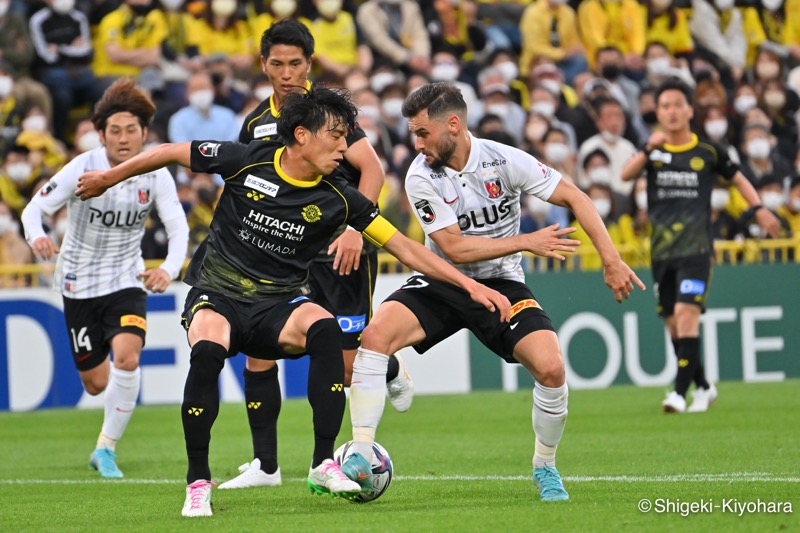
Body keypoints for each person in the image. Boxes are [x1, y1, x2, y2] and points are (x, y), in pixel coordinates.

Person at [74, 85, 511, 517]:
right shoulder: (247, 159)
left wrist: (470, 286)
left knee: (325, 328)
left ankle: (323, 464)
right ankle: (198, 483)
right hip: (218, 293)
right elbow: (169, 150)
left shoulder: (340, 198)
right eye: (337, 136)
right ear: (302, 135)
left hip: (277, 304)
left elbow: (407, 249)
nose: (345, 147)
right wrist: (108, 177)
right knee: (208, 351)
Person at [344, 82, 645, 503]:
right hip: (444, 279)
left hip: (502, 282)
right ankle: (361, 451)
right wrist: (524, 241)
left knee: (552, 369)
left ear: (453, 124)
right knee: (374, 339)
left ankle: (545, 465)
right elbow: (453, 247)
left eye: (423, 133)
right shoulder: (420, 175)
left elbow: (575, 196)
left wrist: (611, 260)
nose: (417, 143)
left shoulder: (503, 159)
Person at [225, 19, 412, 491]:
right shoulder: (254, 123)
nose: (287, 73)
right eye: (277, 64)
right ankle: (265, 466)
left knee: (346, 366)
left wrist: (355, 229)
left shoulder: (331, 113)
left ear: (310, 64)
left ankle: (387, 366)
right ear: (262, 64)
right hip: (283, 255)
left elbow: (372, 169)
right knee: (256, 353)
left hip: (338, 251)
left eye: (296, 64)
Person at [20, 78, 189, 478]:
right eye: (115, 130)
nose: (124, 138)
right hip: (77, 282)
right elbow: (33, 210)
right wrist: (38, 236)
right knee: (96, 383)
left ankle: (105, 448)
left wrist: (167, 268)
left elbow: (179, 228)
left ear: (145, 134)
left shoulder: (155, 173)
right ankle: (115, 410)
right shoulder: (82, 167)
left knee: (128, 357)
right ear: (100, 135)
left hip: (126, 279)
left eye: (132, 130)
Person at [620, 78, 781, 414]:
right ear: (659, 113)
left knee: (686, 314)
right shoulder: (654, 152)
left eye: (678, 104)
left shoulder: (707, 151)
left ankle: (678, 393)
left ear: (690, 110)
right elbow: (624, 175)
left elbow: (738, 178)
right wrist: (648, 148)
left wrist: (759, 209)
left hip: (697, 251)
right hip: (662, 253)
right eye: (665, 106)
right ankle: (704, 386)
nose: (672, 111)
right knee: (673, 323)